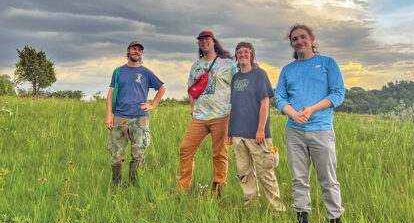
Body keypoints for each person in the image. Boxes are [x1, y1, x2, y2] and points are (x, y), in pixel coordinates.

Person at [275, 24, 345, 223]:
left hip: (321, 129)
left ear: (312, 38)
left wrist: (312, 108)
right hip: (294, 131)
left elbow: (338, 93)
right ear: (291, 43)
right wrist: (293, 114)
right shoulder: (288, 69)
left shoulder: (327, 63)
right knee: (299, 178)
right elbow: (280, 97)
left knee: (328, 179)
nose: (299, 41)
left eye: (302, 37)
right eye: (294, 39)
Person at [227, 42, 286, 211]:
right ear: (236, 56)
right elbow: (234, 106)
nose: (242, 54)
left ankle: (276, 209)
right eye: (239, 52)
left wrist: (260, 129)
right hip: (238, 133)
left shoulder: (260, 75)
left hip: (257, 134)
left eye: (246, 52)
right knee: (245, 173)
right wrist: (229, 132)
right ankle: (251, 207)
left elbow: (265, 102)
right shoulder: (236, 78)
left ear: (252, 54)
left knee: (265, 172)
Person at [177, 31, 236, 196]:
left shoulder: (228, 64)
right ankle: (183, 187)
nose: (204, 42)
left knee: (219, 153)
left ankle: (218, 189)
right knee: (186, 148)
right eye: (201, 40)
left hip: (222, 115)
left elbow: (236, 88)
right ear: (199, 44)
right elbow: (190, 87)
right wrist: (192, 107)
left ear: (213, 42)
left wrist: (232, 109)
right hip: (200, 116)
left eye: (207, 39)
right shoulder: (196, 65)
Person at [106, 41, 166, 186]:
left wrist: (152, 104)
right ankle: (116, 186)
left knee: (138, 154)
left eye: (140, 50)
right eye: (134, 49)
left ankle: (134, 186)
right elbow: (110, 93)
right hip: (120, 117)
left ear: (142, 54)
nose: (137, 52)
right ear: (128, 51)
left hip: (140, 118)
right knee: (116, 156)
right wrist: (109, 116)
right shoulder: (118, 71)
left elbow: (162, 88)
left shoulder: (146, 72)